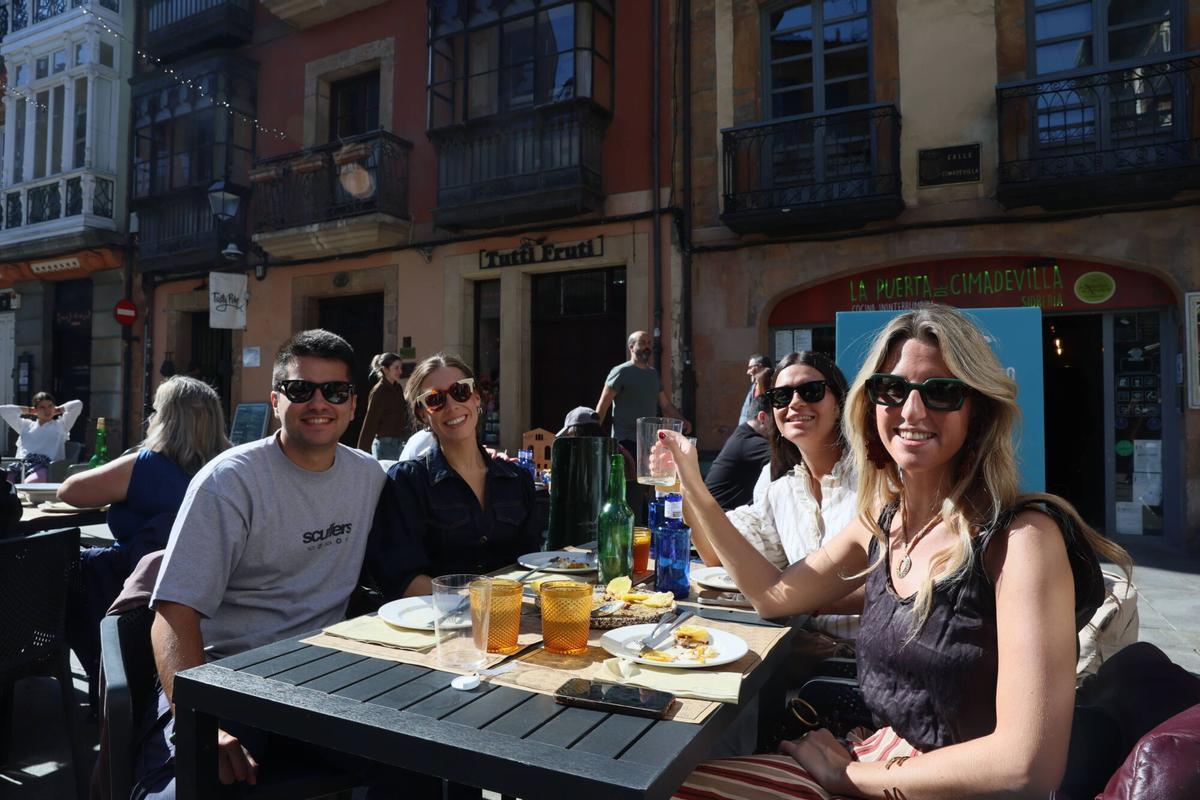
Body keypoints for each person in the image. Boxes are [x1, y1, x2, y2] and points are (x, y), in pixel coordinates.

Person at [660, 304, 1131, 800]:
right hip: (877, 755)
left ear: (978, 411)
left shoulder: (1021, 539)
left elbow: (1027, 766)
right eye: (892, 389)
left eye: (942, 391)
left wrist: (849, 778)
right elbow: (774, 594)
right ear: (870, 405)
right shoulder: (882, 519)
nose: (911, 412)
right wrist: (692, 484)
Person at [137, 330, 391, 798]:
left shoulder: (368, 476)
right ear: (276, 401)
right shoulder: (229, 482)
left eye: (335, 391)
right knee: (186, 789)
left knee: (428, 769)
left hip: (326, 682)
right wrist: (198, 721)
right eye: (301, 389)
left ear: (353, 404)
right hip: (229, 682)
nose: (319, 403)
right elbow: (174, 614)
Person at [59, 376, 230, 713]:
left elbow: (69, 491)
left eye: (155, 411)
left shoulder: (147, 465)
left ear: (168, 419)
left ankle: (74, 666)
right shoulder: (229, 467)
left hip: (135, 589)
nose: (151, 418)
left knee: (65, 565)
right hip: (202, 587)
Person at [690, 351, 859, 642]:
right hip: (801, 647)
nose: (795, 402)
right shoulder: (781, 488)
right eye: (781, 396)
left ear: (839, 404)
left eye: (811, 391)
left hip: (866, 654)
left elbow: (902, 584)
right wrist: (684, 483)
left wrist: (799, 604)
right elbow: (717, 556)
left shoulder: (876, 480)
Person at [368, 354, 542, 598]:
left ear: (476, 397)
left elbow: (531, 563)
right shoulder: (408, 481)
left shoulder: (517, 479)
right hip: (440, 618)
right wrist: (476, 601)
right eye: (435, 399)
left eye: (460, 391)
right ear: (422, 414)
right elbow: (401, 577)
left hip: (513, 615)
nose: (451, 406)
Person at [595, 330, 690, 453]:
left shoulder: (653, 374)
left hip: (649, 441)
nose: (647, 347)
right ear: (631, 347)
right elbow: (603, 406)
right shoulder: (620, 372)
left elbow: (665, 404)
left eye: (649, 343)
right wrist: (594, 435)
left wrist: (682, 421)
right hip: (624, 441)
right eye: (642, 343)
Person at [703, 393, 770, 511]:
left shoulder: (743, 435)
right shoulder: (749, 443)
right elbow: (791, 459)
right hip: (719, 517)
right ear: (762, 418)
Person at [0, 392, 83, 482]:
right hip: (22, 464)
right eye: (42, 407)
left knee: (30, 482)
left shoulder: (61, 425)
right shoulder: (25, 425)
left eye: (50, 406)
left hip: (47, 466)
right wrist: (29, 410)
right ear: (36, 409)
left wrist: (58, 410)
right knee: (5, 481)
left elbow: (77, 404)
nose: (47, 410)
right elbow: (3, 410)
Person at [357, 351, 411, 460]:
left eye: (400, 368)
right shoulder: (379, 391)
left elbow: (403, 412)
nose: (400, 371)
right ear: (385, 369)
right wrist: (361, 453)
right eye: (396, 368)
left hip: (400, 443)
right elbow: (370, 421)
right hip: (384, 445)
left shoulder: (398, 388)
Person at [737, 354, 772, 426]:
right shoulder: (753, 388)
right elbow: (745, 413)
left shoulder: (774, 386)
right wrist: (744, 430)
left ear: (760, 366)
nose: (748, 372)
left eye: (750, 367)